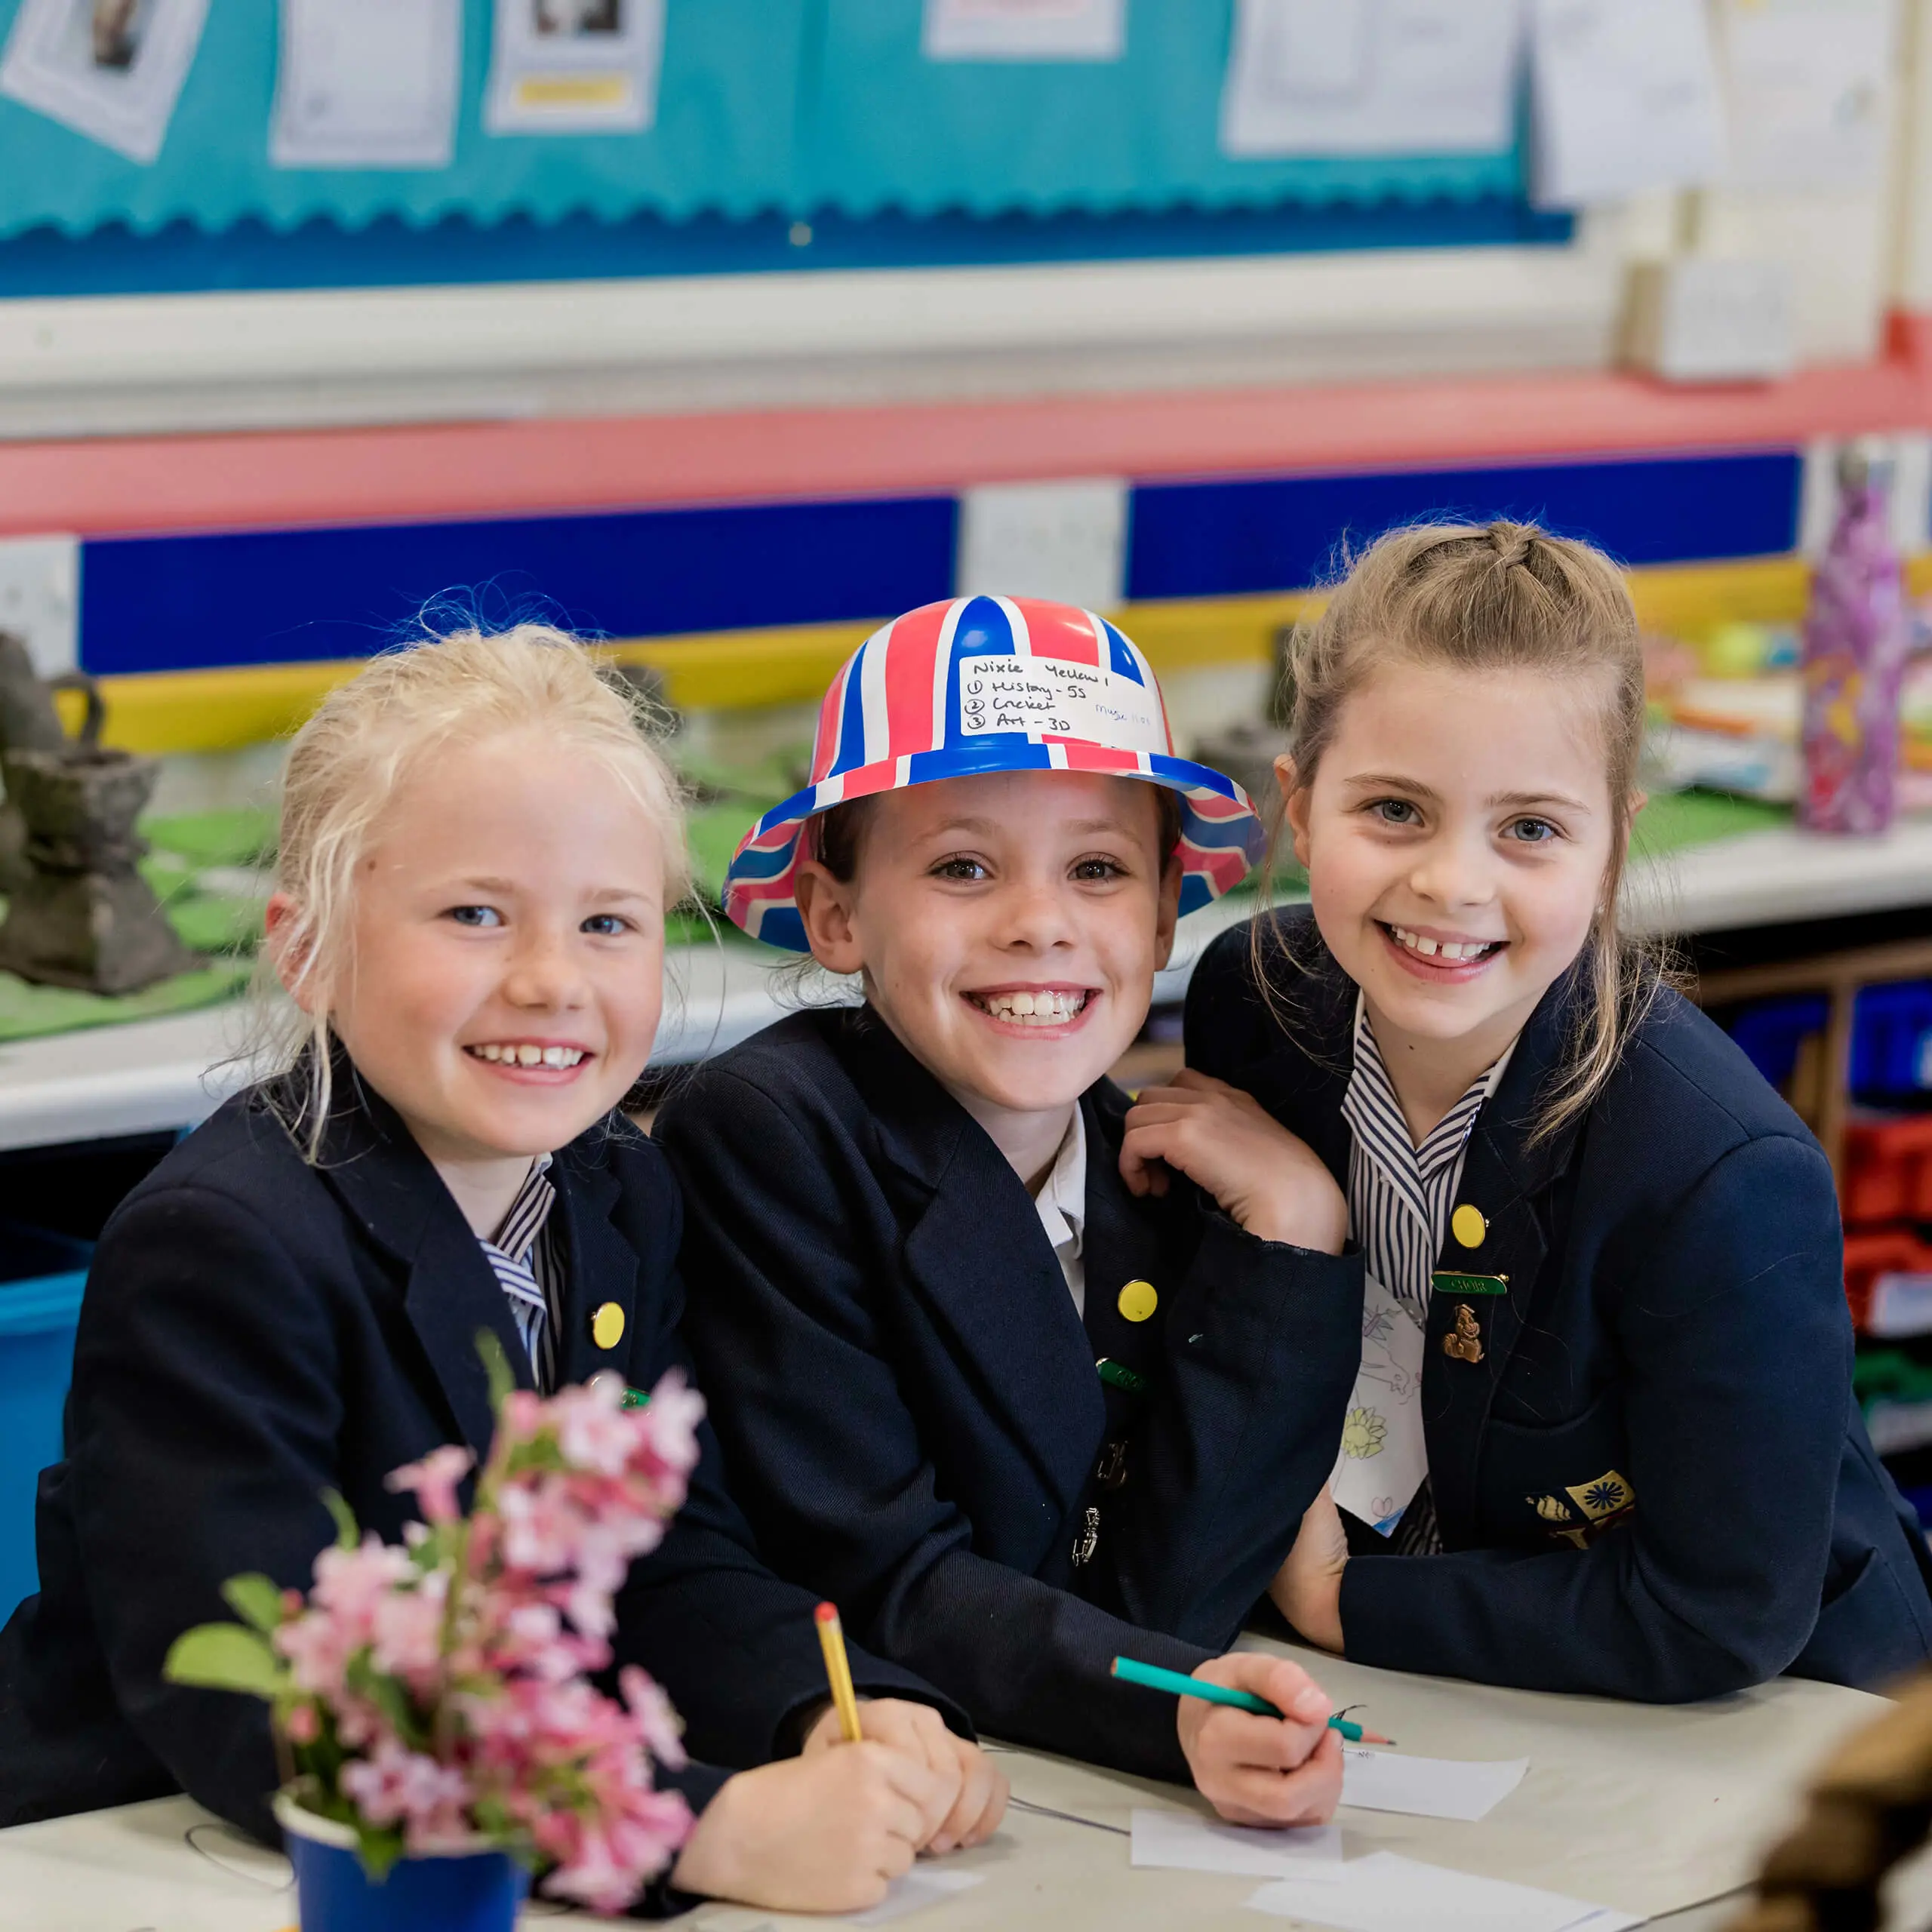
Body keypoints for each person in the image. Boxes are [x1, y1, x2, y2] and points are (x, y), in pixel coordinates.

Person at [0, 625, 1005, 1916]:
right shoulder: (221, 1243)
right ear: (307, 950)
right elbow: (277, 1702)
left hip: (475, 1842)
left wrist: (829, 1709)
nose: (549, 980)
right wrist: (689, 1834)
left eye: (607, 922)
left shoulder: (617, 1192)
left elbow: (655, 1553)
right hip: (138, 1849)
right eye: (475, 915)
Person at [1186, 520, 1932, 1701]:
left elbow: (1720, 1611)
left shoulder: (1715, 1171)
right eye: (1393, 810)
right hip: (1427, 1674)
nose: (1450, 883)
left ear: (1611, 846)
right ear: (1299, 798)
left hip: (1777, 1723)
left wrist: (1343, 1601)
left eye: (1529, 828)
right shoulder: (1252, 1002)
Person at [657, 594, 1363, 1826]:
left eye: (1096, 869)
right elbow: (883, 1579)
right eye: (962, 867)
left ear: (1158, 919)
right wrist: (1178, 1706)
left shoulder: (1174, 1173)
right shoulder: (771, 1134)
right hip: (882, 1804)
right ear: (836, 913)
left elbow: (1169, 1595)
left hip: (1057, 1794)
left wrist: (1297, 1234)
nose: (1039, 922)